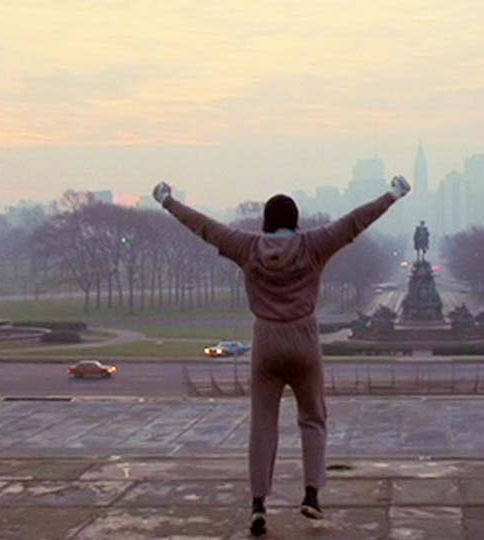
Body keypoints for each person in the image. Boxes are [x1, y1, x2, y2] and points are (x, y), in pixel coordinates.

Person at [153, 176, 410, 535]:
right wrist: (392, 195)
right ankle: (311, 495)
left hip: (266, 339)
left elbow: (205, 228)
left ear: (266, 222)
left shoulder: (247, 246)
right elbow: (354, 222)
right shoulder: (313, 245)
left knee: (262, 425)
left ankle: (258, 504)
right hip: (304, 337)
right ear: (295, 221)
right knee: (313, 418)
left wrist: (168, 201)